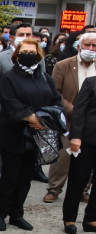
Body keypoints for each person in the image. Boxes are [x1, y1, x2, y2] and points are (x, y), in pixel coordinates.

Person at [0, 39, 62, 232]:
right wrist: (32, 117)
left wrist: (44, 119)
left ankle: (17, 214)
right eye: (25, 51)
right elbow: (9, 102)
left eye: (33, 52)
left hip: (38, 136)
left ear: (39, 55)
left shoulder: (45, 78)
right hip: (14, 135)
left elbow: (56, 101)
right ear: (17, 54)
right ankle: (0, 215)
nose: (29, 54)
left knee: (25, 178)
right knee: (9, 177)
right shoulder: (9, 77)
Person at [0, 23, 46, 204]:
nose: (26, 36)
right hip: (6, 115)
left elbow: (42, 87)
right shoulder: (0, 58)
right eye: (22, 34)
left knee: (25, 157)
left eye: (29, 33)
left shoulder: (39, 59)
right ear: (12, 37)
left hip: (32, 120)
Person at [45, 32, 96, 204]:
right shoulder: (64, 65)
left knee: (88, 157)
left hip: (91, 122)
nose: (90, 49)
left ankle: (84, 190)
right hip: (67, 117)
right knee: (63, 156)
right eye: (87, 45)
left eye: (94, 46)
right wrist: (72, 109)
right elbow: (55, 92)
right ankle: (54, 189)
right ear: (79, 46)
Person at [64, 76, 96, 234]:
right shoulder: (91, 82)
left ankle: (91, 219)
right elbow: (79, 111)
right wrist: (76, 136)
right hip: (87, 140)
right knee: (78, 180)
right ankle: (69, 218)